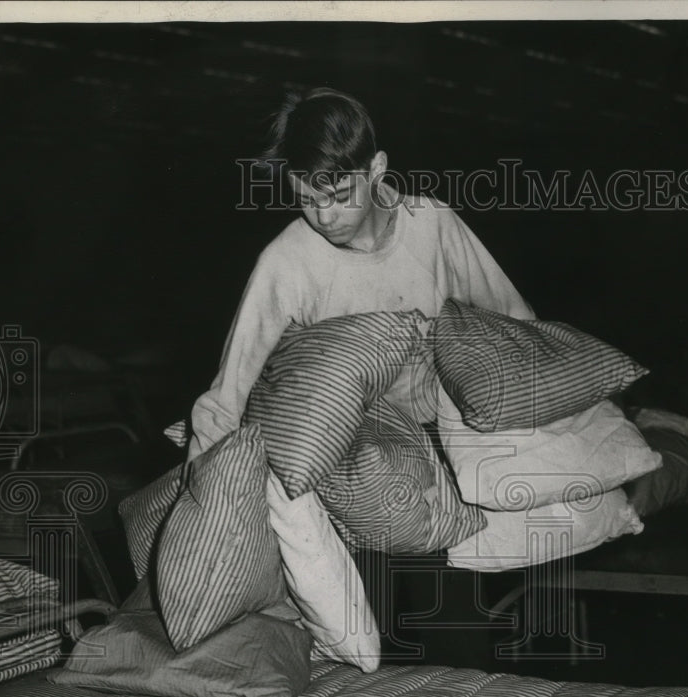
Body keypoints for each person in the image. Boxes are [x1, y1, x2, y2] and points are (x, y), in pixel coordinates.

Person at [185, 87, 535, 462]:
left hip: (452, 428)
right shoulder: (285, 262)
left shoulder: (431, 223)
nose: (324, 217)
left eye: (340, 196)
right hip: (352, 450)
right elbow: (226, 399)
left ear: (377, 169)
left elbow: (519, 322)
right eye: (306, 200)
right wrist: (206, 479)